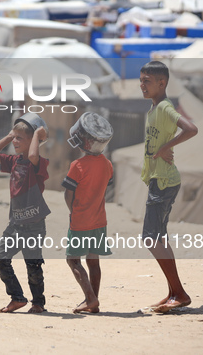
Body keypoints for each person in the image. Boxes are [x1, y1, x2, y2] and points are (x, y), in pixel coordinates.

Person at [139, 61, 198, 313]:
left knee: (150, 238)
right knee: (158, 237)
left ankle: (180, 293)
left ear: (162, 83)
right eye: (141, 80)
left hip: (164, 181)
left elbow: (191, 129)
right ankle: (174, 292)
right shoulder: (153, 109)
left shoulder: (163, 107)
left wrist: (165, 148)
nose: (141, 85)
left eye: (147, 81)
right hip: (158, 179)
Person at [0, 116, 50, 313]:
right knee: (0, 258)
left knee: (33, 266)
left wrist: (38, 135)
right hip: (15, 224)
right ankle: (17, 297)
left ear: (32, 142)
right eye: (15, 138)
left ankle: (38, 303)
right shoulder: (13, 161)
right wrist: (9, 136)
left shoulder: (39, 163)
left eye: (20, 138)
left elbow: (32, 156)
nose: (15, 142)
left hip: (34, 225)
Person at [62, 112, 114, 314]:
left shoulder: (77, 166)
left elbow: (68, 195)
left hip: (80, 222)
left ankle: (90, 298)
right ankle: (94, 301)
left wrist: (74, 213)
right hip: (100, 221)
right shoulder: (107, 165)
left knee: (73, 260)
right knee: (93, 261)